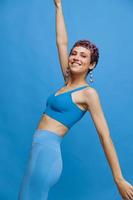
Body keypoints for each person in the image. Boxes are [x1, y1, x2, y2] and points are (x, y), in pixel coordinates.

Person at [18, 0, 133, 199]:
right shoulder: (66, 80)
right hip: (36, 153)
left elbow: (105, 136)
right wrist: (58, 7)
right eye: (74, 53)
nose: (75, 58)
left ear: (92, 65)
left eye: (83, 56)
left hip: (47, 156)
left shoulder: (88, 94)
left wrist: (118, 178)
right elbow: (61, 42)